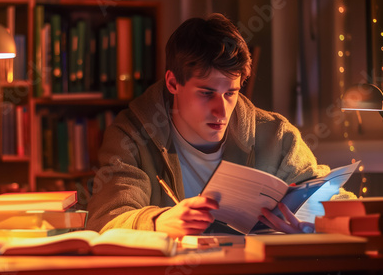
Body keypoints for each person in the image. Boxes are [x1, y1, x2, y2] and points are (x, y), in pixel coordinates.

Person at [86, 13, 330, 238]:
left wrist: (313, 226)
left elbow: (334, 202)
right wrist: (158, 221)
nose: (221, 110)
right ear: (173, 83)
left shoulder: (276, 134)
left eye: (230, 93)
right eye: (206, 93)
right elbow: (106, 219)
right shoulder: (131, 136)